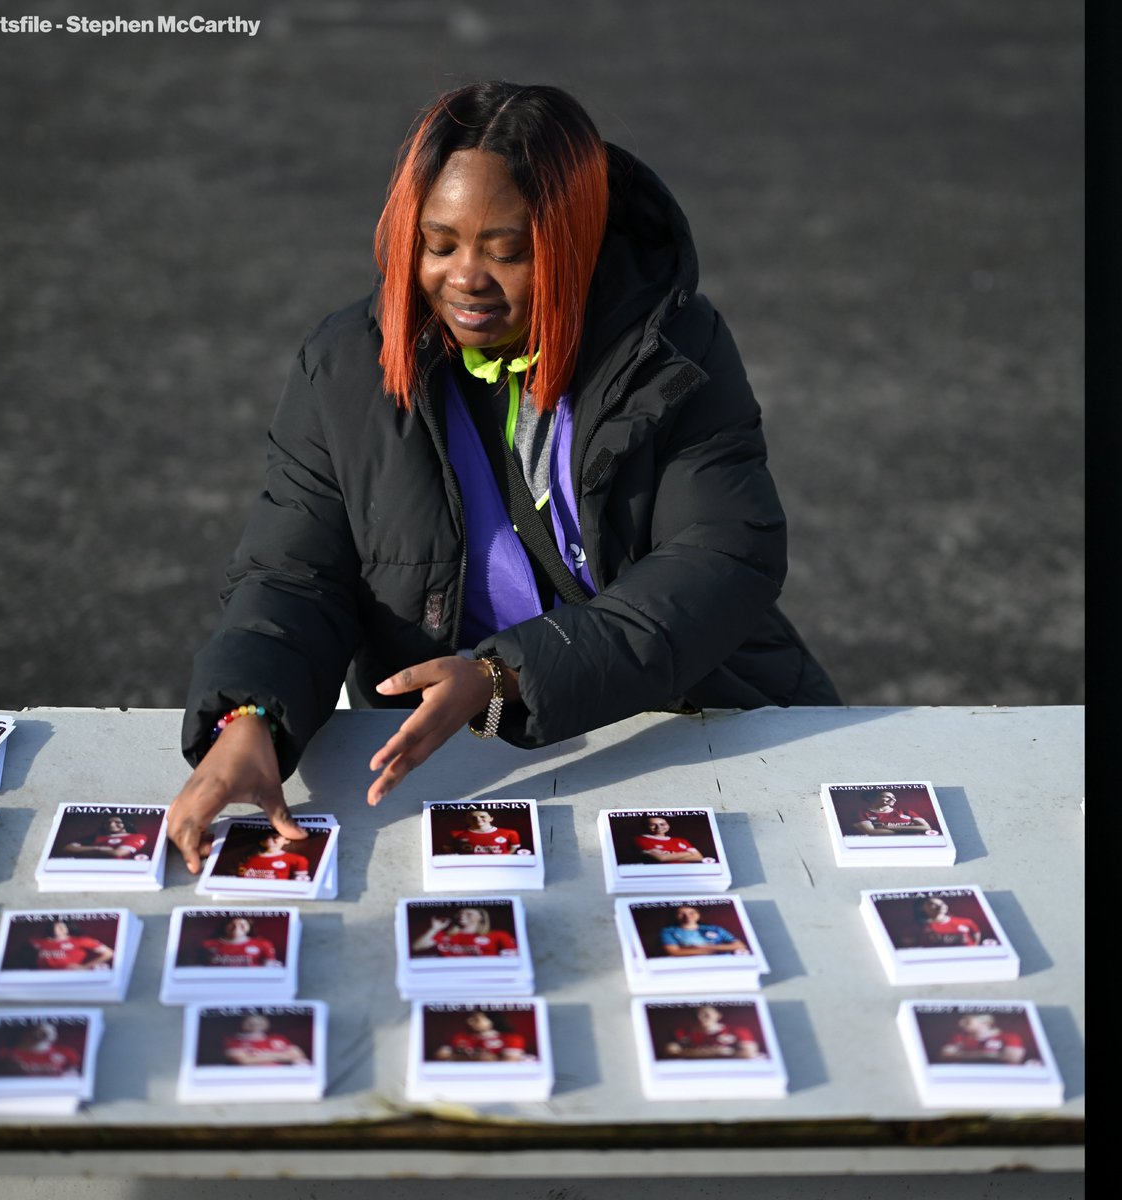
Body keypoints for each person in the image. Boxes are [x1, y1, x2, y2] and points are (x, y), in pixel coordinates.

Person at [169, 81, 839, 872]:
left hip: (691, 720)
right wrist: (249, 719)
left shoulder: (674, 347)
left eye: (507, 248)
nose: (465, 278)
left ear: (573, 238)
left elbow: (722, 561)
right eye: (439, 242)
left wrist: (501, 676)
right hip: (452, 752)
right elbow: (294, 572)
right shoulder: (342, 365)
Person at [411, 906, 518, 957]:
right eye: (460, 913)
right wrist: (434, 929)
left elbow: (514, 955)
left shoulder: (499, 935)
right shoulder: (444, 935)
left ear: (481, 918)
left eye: (469, 913)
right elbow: (417, 947)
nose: (462, 915)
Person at [663, 1004, 760, 1059]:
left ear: (718, 1015)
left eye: (706, 1014)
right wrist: (719, 1052)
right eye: (696, 1014)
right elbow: (669, 1053)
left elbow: (749, 1053)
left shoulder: (738, 1031)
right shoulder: (680, 1033)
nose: (700, 1018)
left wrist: (689, 1053)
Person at [434, 1009, 530, 1062]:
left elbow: (508, 1062)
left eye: (476, 1019)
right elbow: (440, 1055)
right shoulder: (460, 1037)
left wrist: (457, 1057)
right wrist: (475, 1058)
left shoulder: (511, 1038)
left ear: (492, 1021)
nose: (469, 1021)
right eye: (469, 1018)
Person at [0, 1021, 82, 1077]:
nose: (46, 1034)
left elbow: (75, 1075)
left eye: (51, 1031)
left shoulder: (67, 1053)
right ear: (27, 1032)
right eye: (41, 1031)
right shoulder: (6, 1054)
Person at [220, 1013, 308, 1066]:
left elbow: (297, 1055)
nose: (256, 1023)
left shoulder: (278, 1038)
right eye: (250, 1020)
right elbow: (245, 1061)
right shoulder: (233, 1040)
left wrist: (262, 1056)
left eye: (260, 1020)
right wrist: (280, 1056)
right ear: (242, 1023)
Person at [658, 905, 748, 957]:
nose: (687, 916)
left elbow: (739, 945)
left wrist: (701, 947)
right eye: (681, 913)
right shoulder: (668, 931)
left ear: (698, 914)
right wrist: (718, 950)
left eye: (691, 912)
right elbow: (675, 952)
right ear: (675, 916)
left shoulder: (714, 929)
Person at [27, 918, 114, 971]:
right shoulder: (38, 942)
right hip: (44, 980)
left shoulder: (81, 941)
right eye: (58, 926)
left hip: (69, 979)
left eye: (63, 926)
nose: (61, 929)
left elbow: (109, 953)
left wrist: (84, 967)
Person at [938, 1013, 1027, 1064]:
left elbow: (1013, 1059)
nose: (961, 1024)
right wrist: (988, 1055)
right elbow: (946, 1055)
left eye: (967, 1021)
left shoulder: (1009, 1037)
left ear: (985, 1022)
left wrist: (962, 1055)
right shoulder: (959, 1037)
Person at [901, 895, 982, 948]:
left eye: (942, 903)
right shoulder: (920, 927)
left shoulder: (966, 921)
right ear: (922, 908)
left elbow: (976, 933)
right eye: (932, 904)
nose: (939, 906)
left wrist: (975, 946)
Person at [198, 915, 281, 968]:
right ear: (225, 926)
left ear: (249, 927)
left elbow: (270, 966)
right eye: (232, 924)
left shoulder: (263, 944)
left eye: (242, 925)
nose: (236, 927)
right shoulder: (208, 944)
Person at [60, 812, 149, 859]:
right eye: (108, 823)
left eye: (117, 822)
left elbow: (118, 853)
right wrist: (97, 848)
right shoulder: (95, 837)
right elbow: (67, 848)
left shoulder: (137, 837)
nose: (111, 825)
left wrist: (84, 850)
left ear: (128, 824)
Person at [234, 831, 312, 881]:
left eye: (275, 836)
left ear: (286, 840)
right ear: (262, 842)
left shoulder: (297, 859)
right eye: (266, 838)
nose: (270, 839)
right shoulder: (250, 859)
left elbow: (301, 881)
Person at [441, 809, 521, 855]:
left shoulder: (510, 833)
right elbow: (448, 850)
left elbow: (512, 850)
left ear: (491, 818)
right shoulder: (455, 834)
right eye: (473, 817)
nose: (478, 819)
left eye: (482, 816)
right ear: (467, 820)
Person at [851, 790, 932, 837]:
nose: (893, 799)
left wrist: (888, 827)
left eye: (893, 797)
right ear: (872, 798)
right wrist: (913, 830)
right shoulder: (862, 813)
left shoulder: (908, 812)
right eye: (887, 797)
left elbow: (926, 828)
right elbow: (873, 832)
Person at [632, 815, 704, 864]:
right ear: (645, 826)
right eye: (652, 825)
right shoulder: (641, 839)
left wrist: (671, 855)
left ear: (668, 825)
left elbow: (699, 857)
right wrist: (689, 853)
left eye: (662, 824)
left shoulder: (681, 840)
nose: (659, 827)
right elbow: (661, 859)